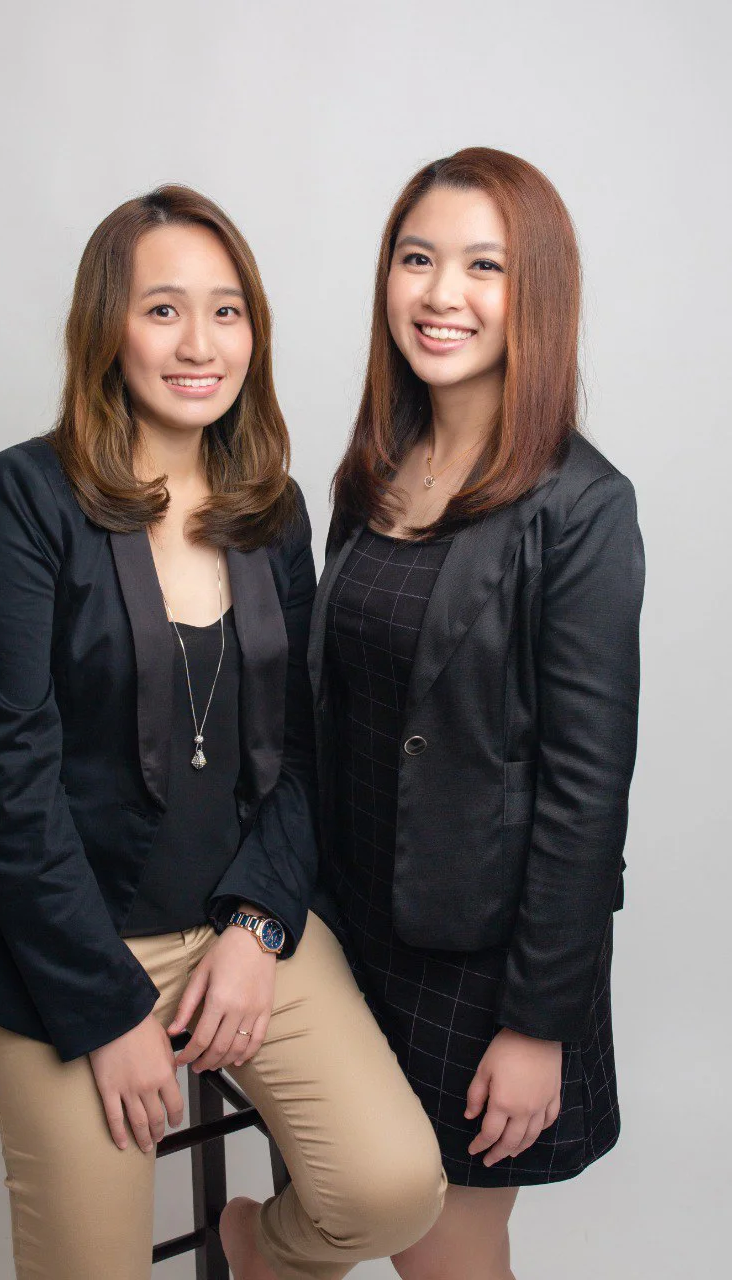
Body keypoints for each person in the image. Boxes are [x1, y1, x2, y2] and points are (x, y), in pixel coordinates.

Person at [0, 184, 446, 1280]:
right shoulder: (27, 494)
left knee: (392, 1189)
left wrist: (258, 928)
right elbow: (7, 773)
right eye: (162, 310)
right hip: (65, 938)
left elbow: (302, 750)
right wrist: (104, 1011)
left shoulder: (272, 508)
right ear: (108, 328)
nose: (200, 343)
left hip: (234, 916)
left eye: (226, 310)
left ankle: (255, 1253)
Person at [307, 148, 645, 1280]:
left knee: (446, 1255)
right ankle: (263, 1248)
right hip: (342, 920)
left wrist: (538, 1021)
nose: (440, 293)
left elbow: (586, 791)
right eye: (416, 258)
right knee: (348, 1198)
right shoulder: (374, 470)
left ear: (534, 290)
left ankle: (256, 1249)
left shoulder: (582, 506)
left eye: (482, 266)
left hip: (480, 959)